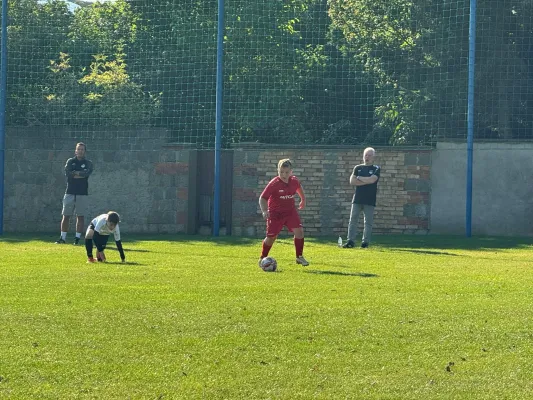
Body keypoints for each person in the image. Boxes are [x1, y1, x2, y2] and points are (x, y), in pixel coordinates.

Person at [258, 158, 309, 267]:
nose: (283, 174)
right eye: (281, 172)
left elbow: (299, 188)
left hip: (290, 212)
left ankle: (299, 257)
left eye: (286, 172)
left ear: (291, 172)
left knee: (299, 231)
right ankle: (263, 257)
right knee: (271, 237)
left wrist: (303, 199)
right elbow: (263, 198)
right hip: (275, 214)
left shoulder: (294, 181)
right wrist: (264, 210)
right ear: (278, 171)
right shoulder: (274, 183)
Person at [55, 142, 94, 245]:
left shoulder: (88, 163)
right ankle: (62, 238)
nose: (80, 151)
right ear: (75, 151)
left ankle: (77, 239)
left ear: (85, 151)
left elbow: (86, 174)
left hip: (82, 193)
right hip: (70, 192)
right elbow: (68, 174)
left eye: (82, 149)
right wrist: (79, 173)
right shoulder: (70, 161)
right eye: (78, 149)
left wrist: (76, 173)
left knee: (80, 216)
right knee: (66, 215)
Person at [343, 147, 381, 248]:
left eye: (369, 155)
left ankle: (365, 243)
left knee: (368, 222)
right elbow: (352, 181)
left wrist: (359, 178)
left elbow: (372, 180)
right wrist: (365, 180)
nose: (367, 157)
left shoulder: (376, 168)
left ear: (373, 157)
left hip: (370, 200)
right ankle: (350, 241)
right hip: (357, 199)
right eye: (365, 155)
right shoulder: (357, 168)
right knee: (353, 220)